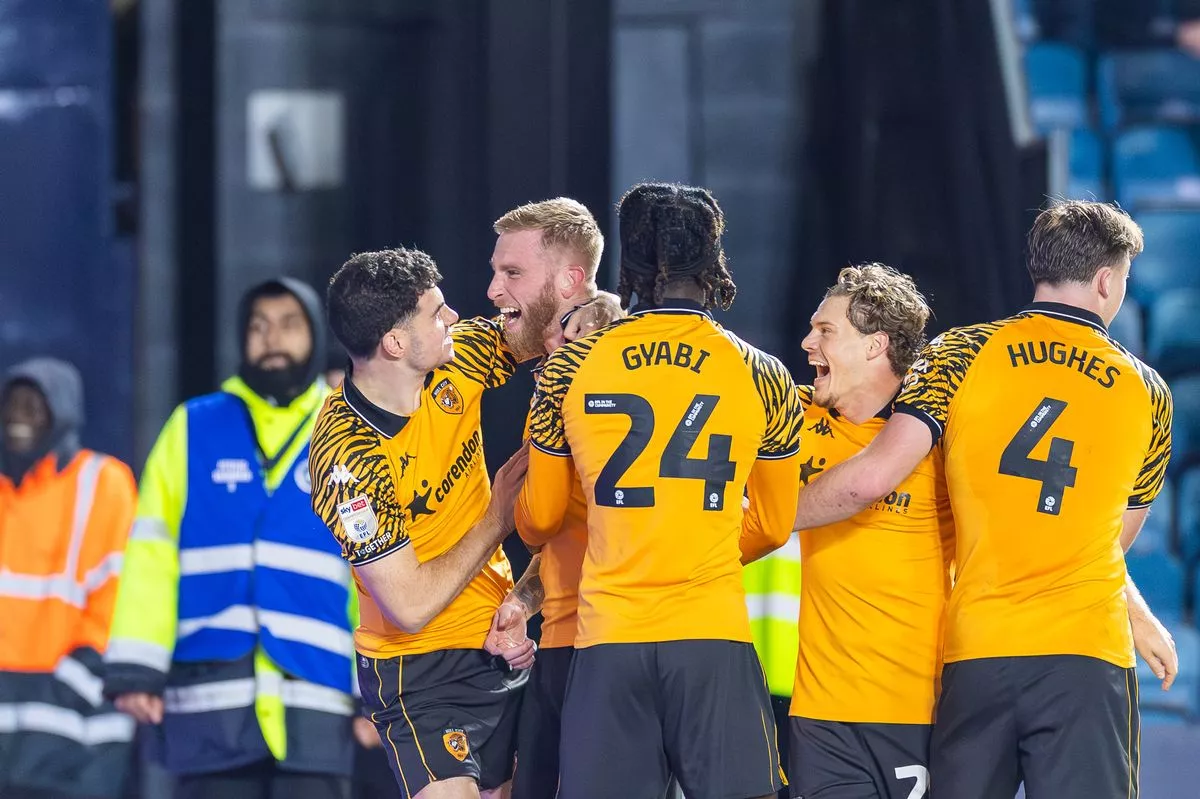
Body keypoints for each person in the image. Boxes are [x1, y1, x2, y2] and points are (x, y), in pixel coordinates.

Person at [791, 200, 1177, 799]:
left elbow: (876, 474)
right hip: (1086, 655)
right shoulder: (1149, 392)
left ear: (1038, 267)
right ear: (1106, 281)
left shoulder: (959, 353)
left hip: (979, 655)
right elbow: (1109, 542)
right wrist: (1138, 611)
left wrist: (769, 516)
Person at [517, 182, 801, 799]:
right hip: (711, 637)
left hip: (609, 638)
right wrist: (698, 542)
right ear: (712, 262)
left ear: (633, 265)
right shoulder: (763, 374)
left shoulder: (569, 368)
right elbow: (777, 525)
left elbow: (538, 519)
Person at [105, 278, 363, 799]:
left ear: (314, 334)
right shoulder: (191, 426)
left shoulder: (347, 429)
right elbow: (151, 554)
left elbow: (375, 567)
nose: (272, 338)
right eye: (258, 326)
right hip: (209, 701)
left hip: (316, 701)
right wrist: (137, 667)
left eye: (289, 325)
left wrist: (379, 691)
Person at [308, 247, 535, 799]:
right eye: (436, 313)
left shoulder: (456, 361)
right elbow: (407, 606)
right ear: (395, 343)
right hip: (418, 673)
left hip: (497, 640)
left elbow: (547, 330)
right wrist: (499, 516)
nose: (455, 317)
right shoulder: (347, 456)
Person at [787, 265, 953, 799]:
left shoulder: (947, 442)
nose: (808, 342)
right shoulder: (789, 418)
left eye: (826, 331)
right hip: (819, 716)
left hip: (917, 712)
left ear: (876, 344)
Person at [485, 197, 612, 799]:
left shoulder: (602, 371)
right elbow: (577, 530)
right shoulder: (562, 366)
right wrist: (525, 597)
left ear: (571, 279)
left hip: (607, 652)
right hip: (563, 644)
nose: (492, 290)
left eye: (512, 273)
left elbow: (539, 520)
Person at [0, 358, 138, 799]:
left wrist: (67, 686)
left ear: (62, 413)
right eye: (12, 405)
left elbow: (119, 600)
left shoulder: (103, 482)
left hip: (76, 738)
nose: (18, 416)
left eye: (33, 405)